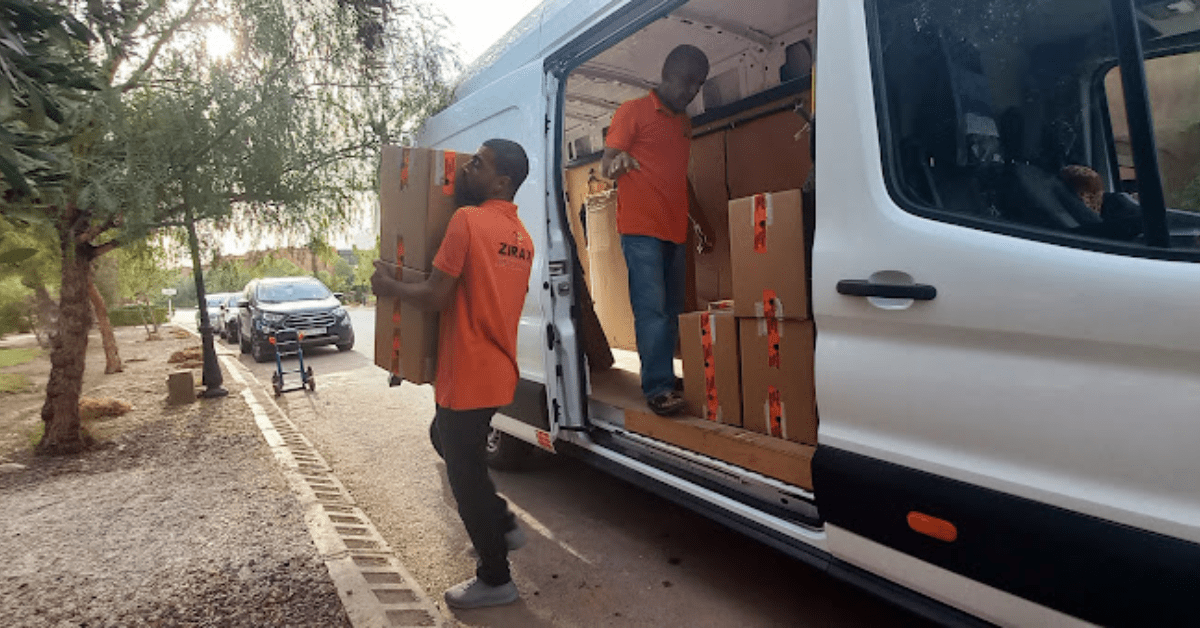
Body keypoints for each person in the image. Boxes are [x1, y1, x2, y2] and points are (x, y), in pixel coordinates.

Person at [371, 139, 533, 609]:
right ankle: (499, 522)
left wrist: (387, 287)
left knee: (464, 478)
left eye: (479, 164)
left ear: (502, 181)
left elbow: (435, 296)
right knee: (444, 439)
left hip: (467, 373)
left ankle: (495, 577)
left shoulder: (466, 221)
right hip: (497, 371)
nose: (468, 167)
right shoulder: (521, 237)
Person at [601, 44, 712, 416]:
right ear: (667, 73)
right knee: (652, 311)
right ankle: (658, 387)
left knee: (673, 309)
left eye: (698, 84)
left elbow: (681, 179)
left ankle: (663, 375)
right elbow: (606, 165)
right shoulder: (632, 112)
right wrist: (620, 162)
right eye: (687, 81)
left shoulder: (684, 124)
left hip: (675, 229)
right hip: (640, 229)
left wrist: (701, 221)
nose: (692, 91)